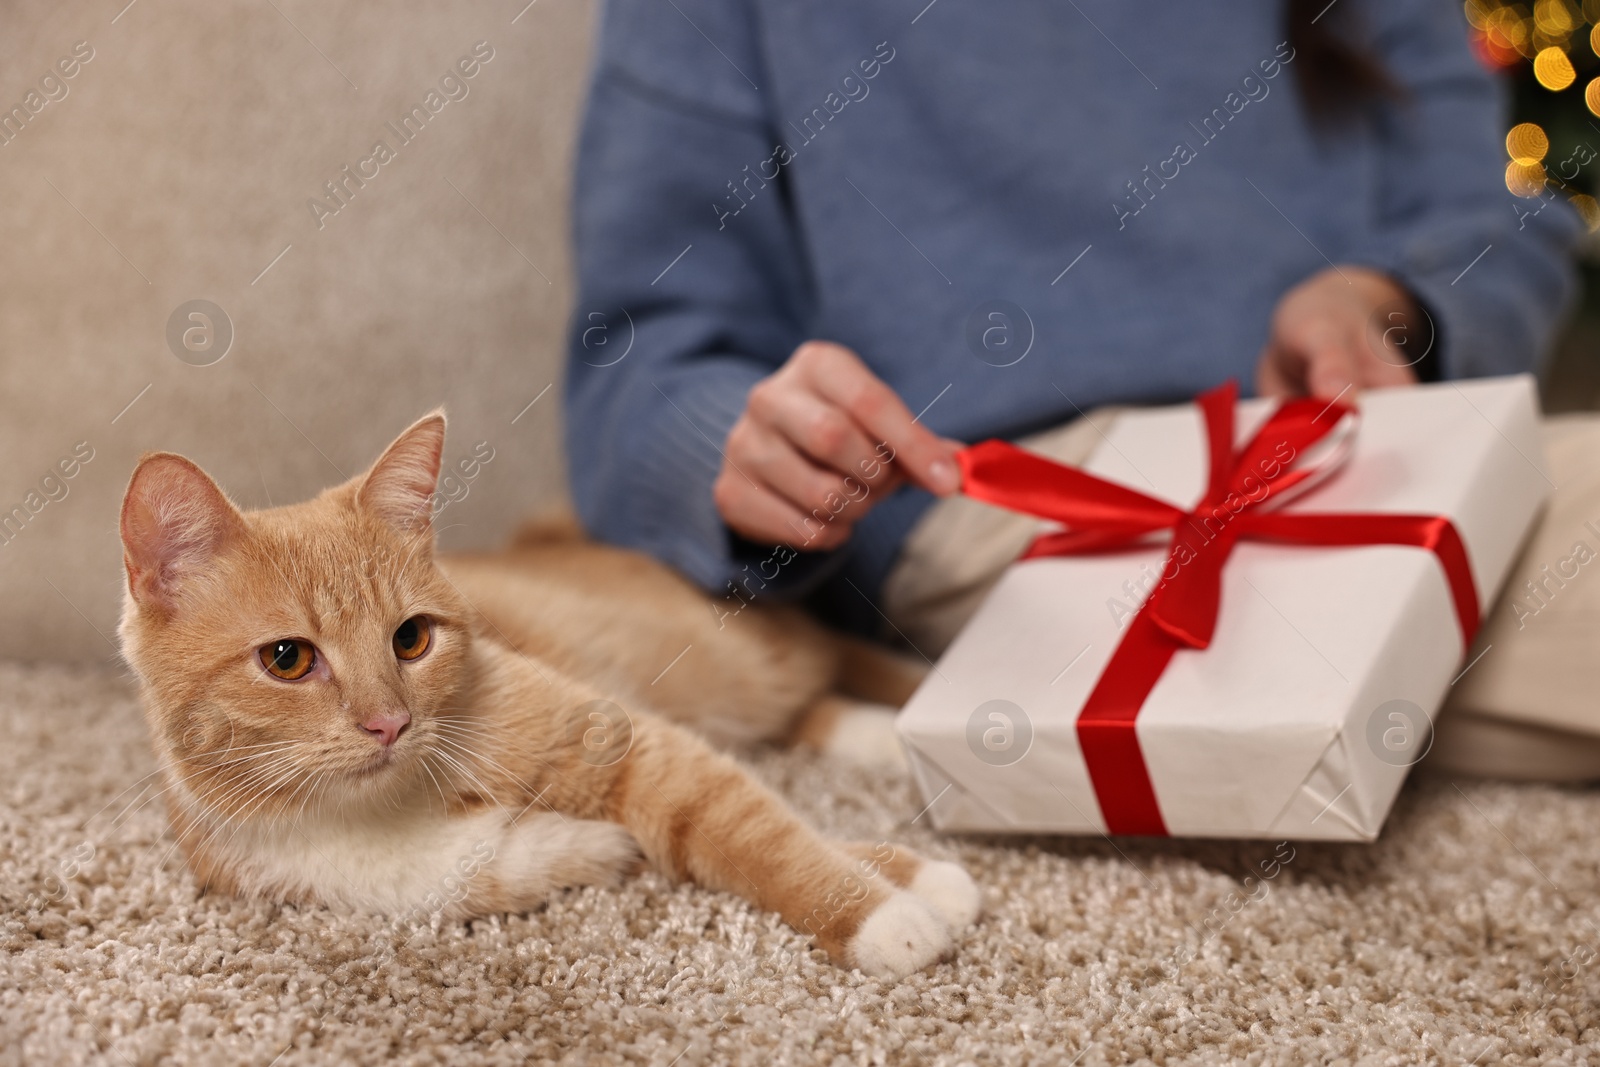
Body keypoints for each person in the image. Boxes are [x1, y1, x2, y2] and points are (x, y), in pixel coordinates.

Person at [564, 0, 1579, 645]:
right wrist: (745, 450)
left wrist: (1391, 306)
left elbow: (1500, 221)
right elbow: (638, 352)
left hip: (1366, 445)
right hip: (1023, 494)